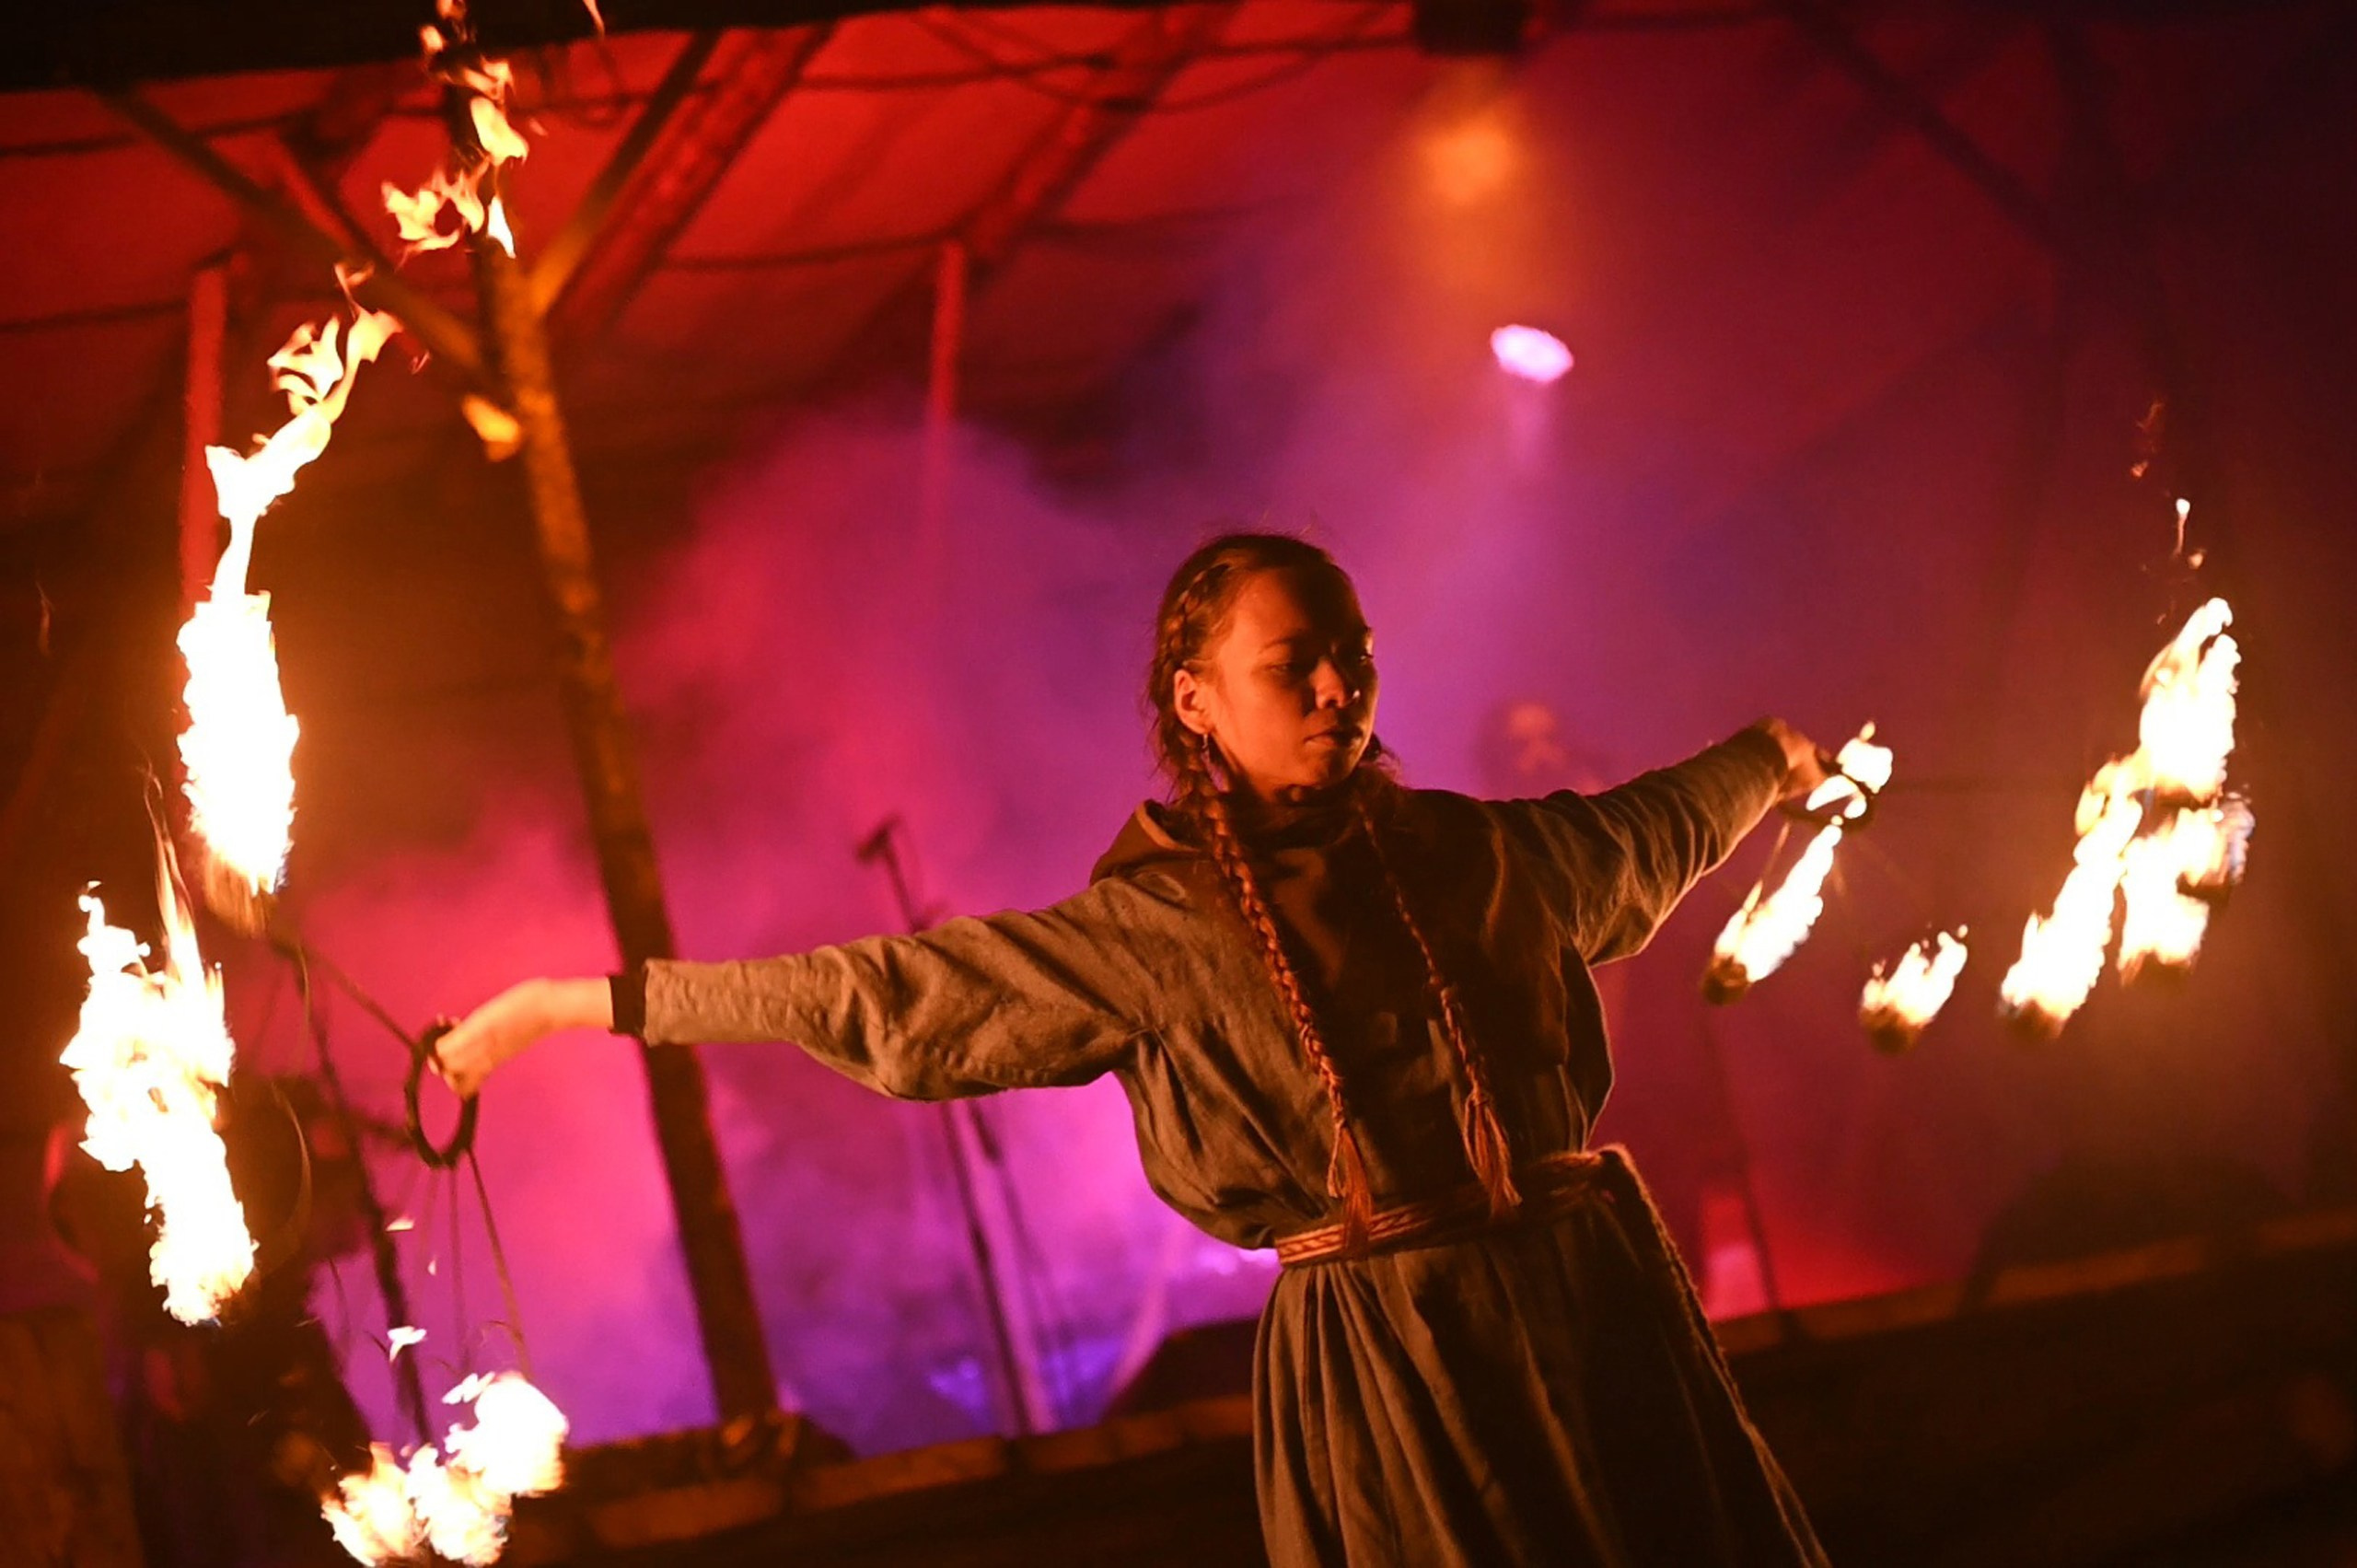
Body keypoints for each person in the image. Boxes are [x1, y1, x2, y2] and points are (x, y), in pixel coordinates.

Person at [437, 532, 1833, 1567]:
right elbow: (888, 994)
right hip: (1400, 1371)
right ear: (1195, 699)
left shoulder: (1486, 855)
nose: (1338, 686)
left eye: (1353, 654)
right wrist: (581, 1005)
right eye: (1293, 665)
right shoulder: (1159, 932)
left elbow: (1656, 825)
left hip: (1594, 1318)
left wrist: (1769, 760)